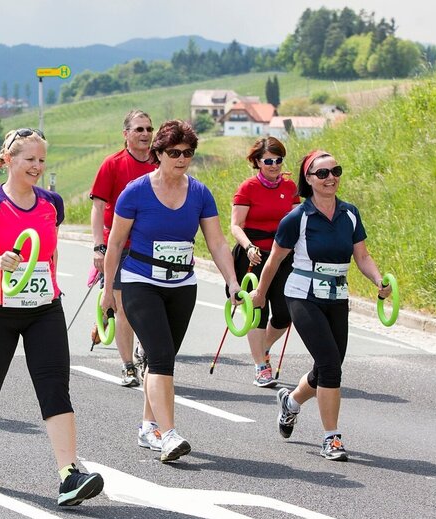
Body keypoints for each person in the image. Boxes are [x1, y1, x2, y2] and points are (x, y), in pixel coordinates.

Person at [0, 128, 103, 506]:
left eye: (42, 160)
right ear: (9, 161)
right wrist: (0, 260)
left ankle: (69, 474)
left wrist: (52, 285)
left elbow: (50, 251)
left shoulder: (52, 203)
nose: (38, 167)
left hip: (44, 309)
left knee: (55, 387)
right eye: (30, 160)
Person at [101, 120, 240, 462]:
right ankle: (169, 434)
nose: (182, 159)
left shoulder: (200, 193)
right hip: (139, 282)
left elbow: (218, 242)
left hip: (181, 284)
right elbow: (115, 243)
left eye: (188, 153)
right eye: (174, 152)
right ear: (158, 154)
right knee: (161, 355)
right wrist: (107, 291)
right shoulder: (135, 191)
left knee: (161, 358)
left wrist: (233, 283)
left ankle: (148, 427)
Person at [251, 150, 392, 462]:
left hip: (337, 295)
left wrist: (379, 281)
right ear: (309, 180)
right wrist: (260, 293)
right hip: (302, 294)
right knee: (329, 365)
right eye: (322, 173)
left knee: (330, 367)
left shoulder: (350, 214)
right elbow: (275, 259)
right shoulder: (296, 219)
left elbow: (362, 256)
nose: (331, 178)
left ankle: (290, 402)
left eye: (335, 171)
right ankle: (331, 438)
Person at [89, 110, 157, 387]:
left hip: (152, 246)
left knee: (151, 306)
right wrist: (98, 246)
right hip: (120, 246)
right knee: (124, 309)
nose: (145, 134)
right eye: (139, 129)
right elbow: (98, 207)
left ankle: (146, 351)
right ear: (126, 134)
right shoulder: (113, 164)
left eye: (149, 129)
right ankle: (128, 365)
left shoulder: (160, 162)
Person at [229, 136, 300, 388]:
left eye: (278, 160)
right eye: (268, 160)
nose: (274, 165)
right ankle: (261, 366)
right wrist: (248, 247)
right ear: (257, 162)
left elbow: (296, 222)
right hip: (253, 252)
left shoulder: (290, 188)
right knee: (258, 309)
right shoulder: (248, 188)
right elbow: (236, 226)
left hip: (282, 254)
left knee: (287, 312)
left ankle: (265, 346)